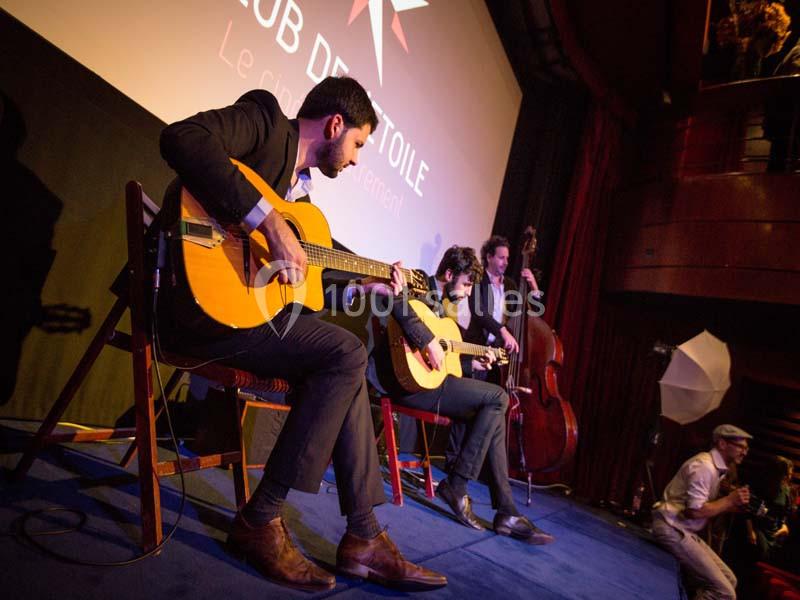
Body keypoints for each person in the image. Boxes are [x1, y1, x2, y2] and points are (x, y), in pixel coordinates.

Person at [157, 76, 446, 591]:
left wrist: (366, 285)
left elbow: (306, 293)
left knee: (346, 360)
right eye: (358, 143)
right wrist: (268, 224)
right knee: (346, 354)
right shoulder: (265, 121)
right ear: (335, 124)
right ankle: (264, 519)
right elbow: (182, 138)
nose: (356, 159)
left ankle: (363, 535)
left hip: (247, 319)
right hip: (195, 311)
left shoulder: (307, 205)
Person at [367, 245, 555, 545]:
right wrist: (428, 343)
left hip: (429, 383)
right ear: (450, 274)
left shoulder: (443, 307)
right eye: (467, 284)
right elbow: (400, 311)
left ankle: (503, 509)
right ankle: (463, 488)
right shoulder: (417, 284)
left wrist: (473, 361)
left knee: (494, 409)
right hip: (405, 386)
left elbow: (446, 355)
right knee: (498, 399)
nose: (469, 292)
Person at [651, 424, 754, 600]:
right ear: (722, 444)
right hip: (672, 528)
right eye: (741, 447)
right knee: (725, 593)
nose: (745, 452)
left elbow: (702, 508)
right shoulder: (705, 466)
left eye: (746, 448)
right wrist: (729, 500)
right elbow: (694, 512)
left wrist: (733, 506)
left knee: (731, 580)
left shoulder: (716, 469)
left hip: (683, 529)